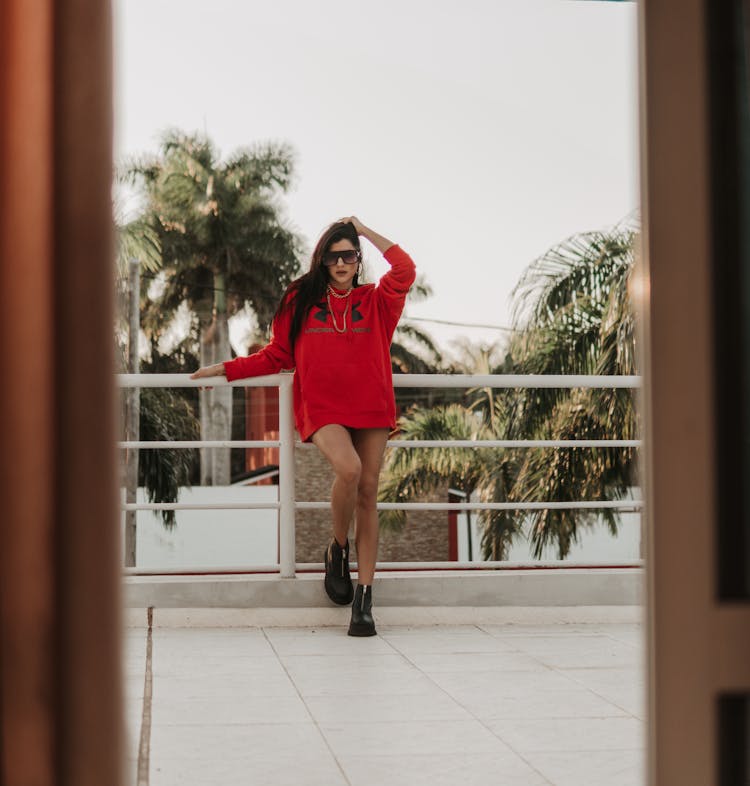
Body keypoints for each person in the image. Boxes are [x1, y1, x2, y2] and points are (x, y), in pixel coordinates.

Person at [190, 217, 416, 636]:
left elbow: (405, 269)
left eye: (350, 254)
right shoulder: (301, 299)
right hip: (322, 406)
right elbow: (278, 356)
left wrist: (364, 229)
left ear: (357, 258)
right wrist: (226, 368)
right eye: (334, 256)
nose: (342, 262)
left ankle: (364, 600)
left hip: (372, 406)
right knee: (349, 470)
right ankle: (338, 548)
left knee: (368, 492)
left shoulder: (377, 301)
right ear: (323, 260)